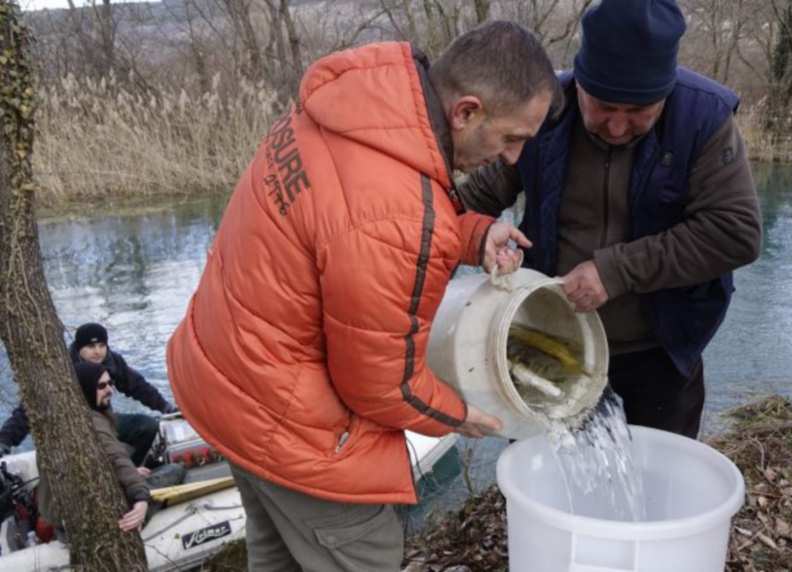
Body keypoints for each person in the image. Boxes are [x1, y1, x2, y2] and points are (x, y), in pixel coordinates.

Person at [166, 21, 560, 571]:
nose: (514, 158)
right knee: (367, 551)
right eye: (512, 138)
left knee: (276, 556)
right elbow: (383, 387)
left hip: (223, 382)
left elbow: (350, 222)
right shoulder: (397, 208)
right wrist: (464, 414)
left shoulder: (359, 107)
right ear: (466, 112)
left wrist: (474, 233)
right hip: (295, 428)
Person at [457, 0, 761, 438]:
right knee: (546, 489)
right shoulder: (543, 112)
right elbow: (474, 198)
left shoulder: (703, 120)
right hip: (542, 342)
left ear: (666, 93)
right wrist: (474, 233)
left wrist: (615, 270)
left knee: (659, 491)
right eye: (602, 107)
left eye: (639, 112)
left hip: (659, 352)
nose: (617, 127)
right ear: (579, 84)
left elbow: (736, 233)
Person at [0, 322, 175, 466]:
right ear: (79, 348)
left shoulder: (112, 361)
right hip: (74, 429)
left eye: (101, 345)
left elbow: (138, 386)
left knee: (147, 426)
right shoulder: (62, 369)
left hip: (105, 420)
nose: (97, 351)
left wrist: (165, 407)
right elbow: (29, 409)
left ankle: (133, 469)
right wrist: (5, 440)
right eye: (91, 346)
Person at [37, 361, 151, 534]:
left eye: (110, 383)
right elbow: (115, 456)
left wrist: (132, 471)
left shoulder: (60, 419)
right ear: (84, 389)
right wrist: (141, 497)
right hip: (83, 516)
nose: (110, 390)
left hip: (60, 514)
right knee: (171, 471)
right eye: (102, 385)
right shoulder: (91, 422)